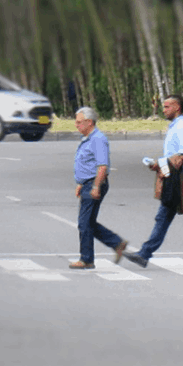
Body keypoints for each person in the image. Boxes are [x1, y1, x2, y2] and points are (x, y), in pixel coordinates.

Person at [123, 94, 183, 270]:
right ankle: (144, 254)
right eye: (164, 106)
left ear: (177, 107)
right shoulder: (175, 126)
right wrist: (161, 166)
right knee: (163, 218)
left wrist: (161, 164)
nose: (164, 109)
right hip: (176, 179)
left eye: (167, 106)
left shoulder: (182, 127)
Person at [70, 106, 127, 269]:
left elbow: (102, 166)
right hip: (87, 183)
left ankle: (87, 259)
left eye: (79, 122)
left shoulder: (97, 139)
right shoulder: (88, 138)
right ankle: (117, 243)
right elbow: (86, 164)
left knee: (83, 223)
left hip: (95, 183)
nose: (76, 125)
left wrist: (95, 186)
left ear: (89, 122)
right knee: (88, 222)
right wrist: (80, 183)